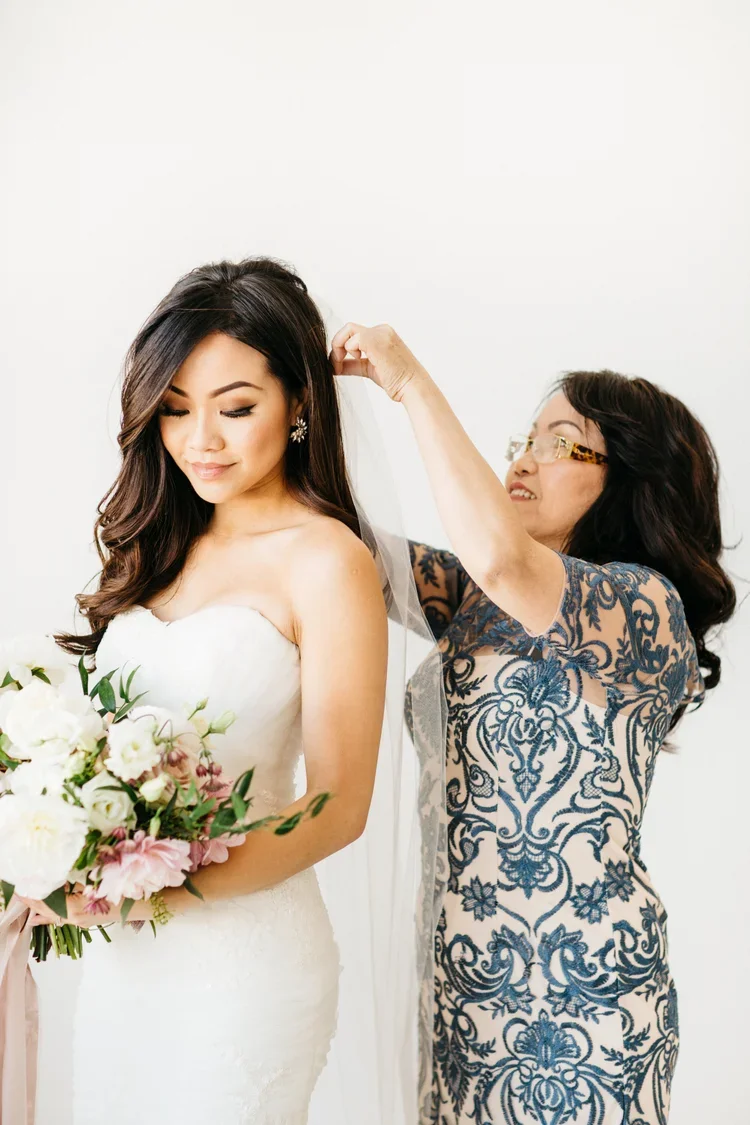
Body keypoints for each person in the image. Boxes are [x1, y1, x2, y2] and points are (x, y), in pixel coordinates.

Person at [19, 260, 443, 1125]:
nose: (200, 439)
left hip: (242, 971)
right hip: (126, 965)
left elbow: (337, 807)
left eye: (235, 407)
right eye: (176, 408)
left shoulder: (328, 559)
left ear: (299, 403)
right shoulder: (157, 544)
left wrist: (149, 890)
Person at [331, 324, 736, 1125]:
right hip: (462, 995)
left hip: (588, 1005)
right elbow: (346, 551)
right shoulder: (471, 601)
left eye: (559, 443)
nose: (522, 460)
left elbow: (501, 559)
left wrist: (409, 382)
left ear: (630, 480)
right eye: (524, 439)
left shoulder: (646, 607)